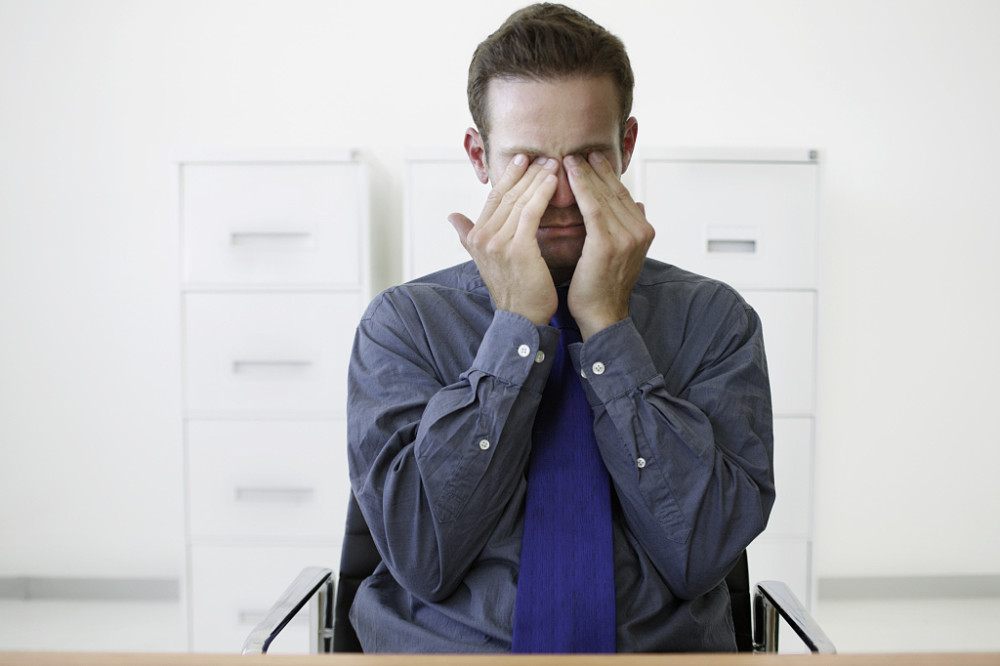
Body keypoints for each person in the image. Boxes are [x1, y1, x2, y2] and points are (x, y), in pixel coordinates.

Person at [347, 2, 774, 653]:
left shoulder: (717, 321)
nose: (564, 197)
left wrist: (608, 329)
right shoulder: (402, 325)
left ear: (626, 146)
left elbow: (702, 553)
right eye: (529, 163)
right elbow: (424, 557)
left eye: (587, 159)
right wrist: (516, 328)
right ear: (478, 154)